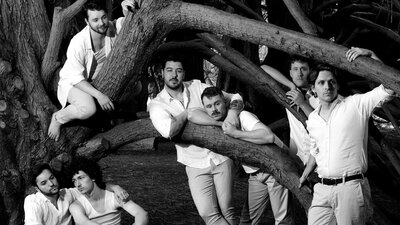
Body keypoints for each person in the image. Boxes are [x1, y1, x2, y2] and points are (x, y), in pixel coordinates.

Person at [299, 47, 394, 225]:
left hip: (350, 188)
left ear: (337, 84)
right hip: (322, 190)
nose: (327, 87)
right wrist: (304, 175)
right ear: (313, 88)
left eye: (331, 82)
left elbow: (391, 86)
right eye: (321, 83)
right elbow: (316, 149)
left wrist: (371, 55)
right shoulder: (312, 119)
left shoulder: (355, 105)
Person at [148, 55, 243, 225]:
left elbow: (235, 97)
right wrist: (186, 114)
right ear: (162, 73)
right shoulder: (158, 104)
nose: (174, 75)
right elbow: (168, 130)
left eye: (178, 71)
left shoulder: (197, 86)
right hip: (194, 163)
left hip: (221, 156)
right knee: (208, 213)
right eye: (169, 70)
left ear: (184, 73)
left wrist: (231, 115)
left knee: (228, 209)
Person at [188, 87, 293, 225]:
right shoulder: (217, 121)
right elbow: (190, 114)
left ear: (225, 102)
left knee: (282, 220)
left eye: (217, 103)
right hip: (255, 174)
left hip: (276, 168)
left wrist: (235, 133)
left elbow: (268, 136)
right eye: (209, 106)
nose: (214, 109)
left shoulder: (243, 116)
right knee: (247, 220)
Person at [48, 0, 140, 141]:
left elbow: (127, 23)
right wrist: (99, 95)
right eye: (95, 20)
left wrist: (125, 8)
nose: (101, 23)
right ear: (86, 21)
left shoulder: (112, 28)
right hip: (75, 83)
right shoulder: (78, 42)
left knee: (136, 87)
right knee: (88, 108)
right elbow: (75, 77)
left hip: (98, 82)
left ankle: (104, 116)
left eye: (103, 17)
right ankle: (58, 117)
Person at [24, 163, 129, 225]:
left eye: (52, 178)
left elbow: (93, 186)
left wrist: (115, 187)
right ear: (37, 188)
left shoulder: (67, 194)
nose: (51, 184)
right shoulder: (32, 202)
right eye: (44, 183)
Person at [261, 56, 318, 165]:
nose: (299, 74)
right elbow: (263, 68)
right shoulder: (289, 92)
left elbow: (321, 123)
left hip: (317, 158)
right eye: (295, 69)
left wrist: (303, 103)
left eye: (303, 69)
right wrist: (291, 85)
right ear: (290, 73)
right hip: (297, 156)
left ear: (310, 72)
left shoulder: (319, 92)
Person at [69, 157, 149, 225]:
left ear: (93, 177)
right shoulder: (76, 205)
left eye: (81, 178)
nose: (77, 184)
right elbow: (83, 222)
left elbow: (141, 214)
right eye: (74, 181)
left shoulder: (113, 196)